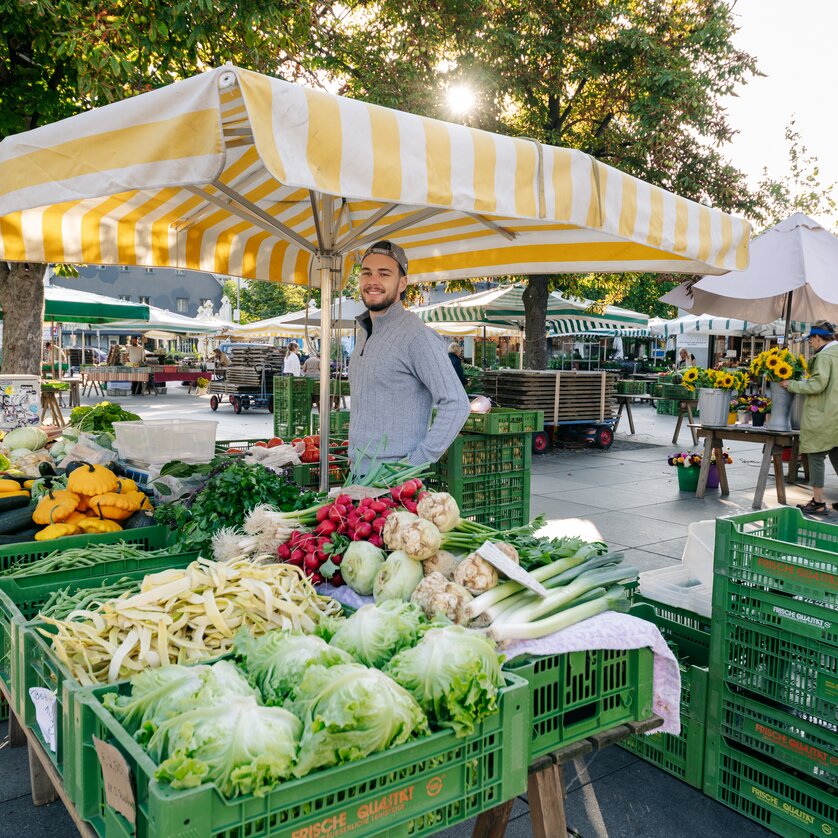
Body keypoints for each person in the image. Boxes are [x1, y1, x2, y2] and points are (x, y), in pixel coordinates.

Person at [349, 240, 469, 471]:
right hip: (358, 474)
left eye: (384, 274)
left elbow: (457, 404)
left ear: (402, 283)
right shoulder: (366, 332)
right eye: (366, 273)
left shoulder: (416, 336)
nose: (373, 281)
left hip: (393, 482)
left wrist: (414, 464)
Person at [780, 321, 838, 515]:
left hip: (823, 415)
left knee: (816, 456)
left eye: (811, 340)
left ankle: (819, 502)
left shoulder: (824, 356)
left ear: (817, 337)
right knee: (837, 456)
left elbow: (817, 385)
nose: (810, 344)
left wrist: (793, 385)